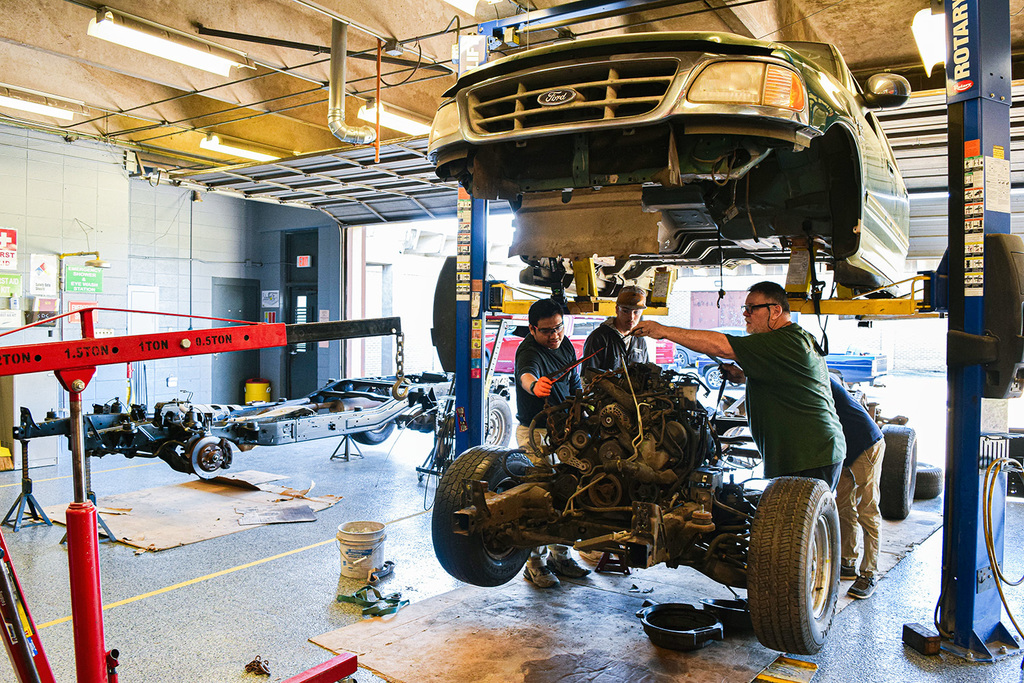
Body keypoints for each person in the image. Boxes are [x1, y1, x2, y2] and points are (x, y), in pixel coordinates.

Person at [631, 281, 845, 487]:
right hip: (810, 452)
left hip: (809, 456)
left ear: (776, 310)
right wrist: (744, 377)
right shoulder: (791, 339)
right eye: (745, 308)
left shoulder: (785, 340)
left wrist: (664, 331)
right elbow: (787, 380)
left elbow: (722, 347)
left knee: (796, 522)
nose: (745, 314)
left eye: (752, 308)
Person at [514, 298, 589, 588]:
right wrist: (535, 385)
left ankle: (562, 555)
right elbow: (526, 374)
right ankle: (535, 564)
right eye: (546, 331)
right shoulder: (529, 351)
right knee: (539, 498)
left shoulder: (566, 344)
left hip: (565, 432)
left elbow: (575, 382)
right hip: (537, 435)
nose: (554, 335)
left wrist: (585, 404)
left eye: (558, 327)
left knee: (569, 492)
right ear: (532, 329)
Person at [830, 375, 885, 600]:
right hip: (845, 449)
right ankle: (848, 562)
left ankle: (869, 573)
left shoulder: (821, 379)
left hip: (866, 445)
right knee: (843, 507)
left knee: (868, 510)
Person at [581, 286, 649, 373]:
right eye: (625, 311)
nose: (631, 317)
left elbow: (646, 374)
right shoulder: (599, 338)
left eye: (636, 312)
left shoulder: (640, 340)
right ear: (617, 309)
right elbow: (587, 377)